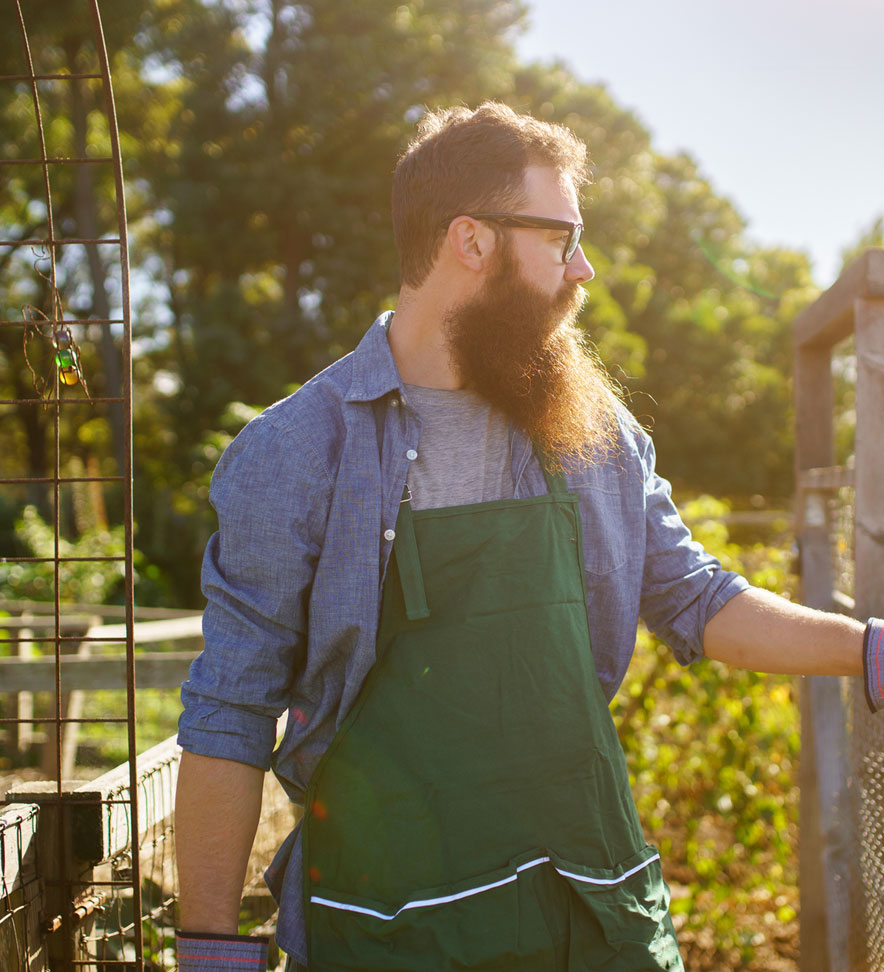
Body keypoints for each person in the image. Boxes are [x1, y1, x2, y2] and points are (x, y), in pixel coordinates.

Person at [174, 102, 884, 972]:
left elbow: (694, 596)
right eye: (561, 239)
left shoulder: (590, 428)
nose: (585, 268)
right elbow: (231, 712)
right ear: (470, 241)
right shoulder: (295, 452)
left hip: (585, 906)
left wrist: (869, 650)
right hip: (389, 919)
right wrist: (209, 948)